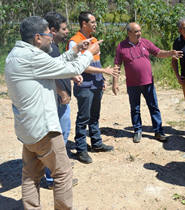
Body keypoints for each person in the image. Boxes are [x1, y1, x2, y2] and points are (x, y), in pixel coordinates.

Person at [5, 16, 101, 209]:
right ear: (38, 38)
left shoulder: (15, 54)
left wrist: (75, 50)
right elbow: (70, 68)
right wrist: (89, 53)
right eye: (49, 33)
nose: (52, 37)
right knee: (63, 173)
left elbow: (55, 63)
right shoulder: (33, 57)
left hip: (27, 129)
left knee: (30, 175)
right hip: (44, 130)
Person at [113, 22, 183, 143]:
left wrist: (170, 53)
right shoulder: (121, 46)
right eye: (136, 31)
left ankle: (158, 131)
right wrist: (115, 83)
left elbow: (158, 52)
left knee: (154, 107)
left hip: (148, 82)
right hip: (132, 84)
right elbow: (117, 65)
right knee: (135, 108)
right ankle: (137, 131)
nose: (139, 33)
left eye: (140, 30)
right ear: (129, 33)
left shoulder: (145, 42)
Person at [67, 11, 118, 164]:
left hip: (96, 84)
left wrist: (101, 78)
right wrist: (104, 71)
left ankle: (96, 143)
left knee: (95, 116)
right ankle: (81, 149)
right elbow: (79, 67)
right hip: (84, 86)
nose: (95, 25)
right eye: (93, 22)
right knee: (83, 118)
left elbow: (96, 60)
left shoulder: (94, 40)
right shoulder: (74, 42)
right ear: (84, 24)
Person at [43, 11, 81, 189]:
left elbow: (58, 68)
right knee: (59, 138)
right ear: (52, 30)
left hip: (59, 100)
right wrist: (62, 92)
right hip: (57, 101)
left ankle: (57, 171)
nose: (67, 32)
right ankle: (54, 179)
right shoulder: (48, 49)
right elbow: (49, 75)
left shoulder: (54, 47)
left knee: (60, 137)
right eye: (64, 29)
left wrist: (71, 76)